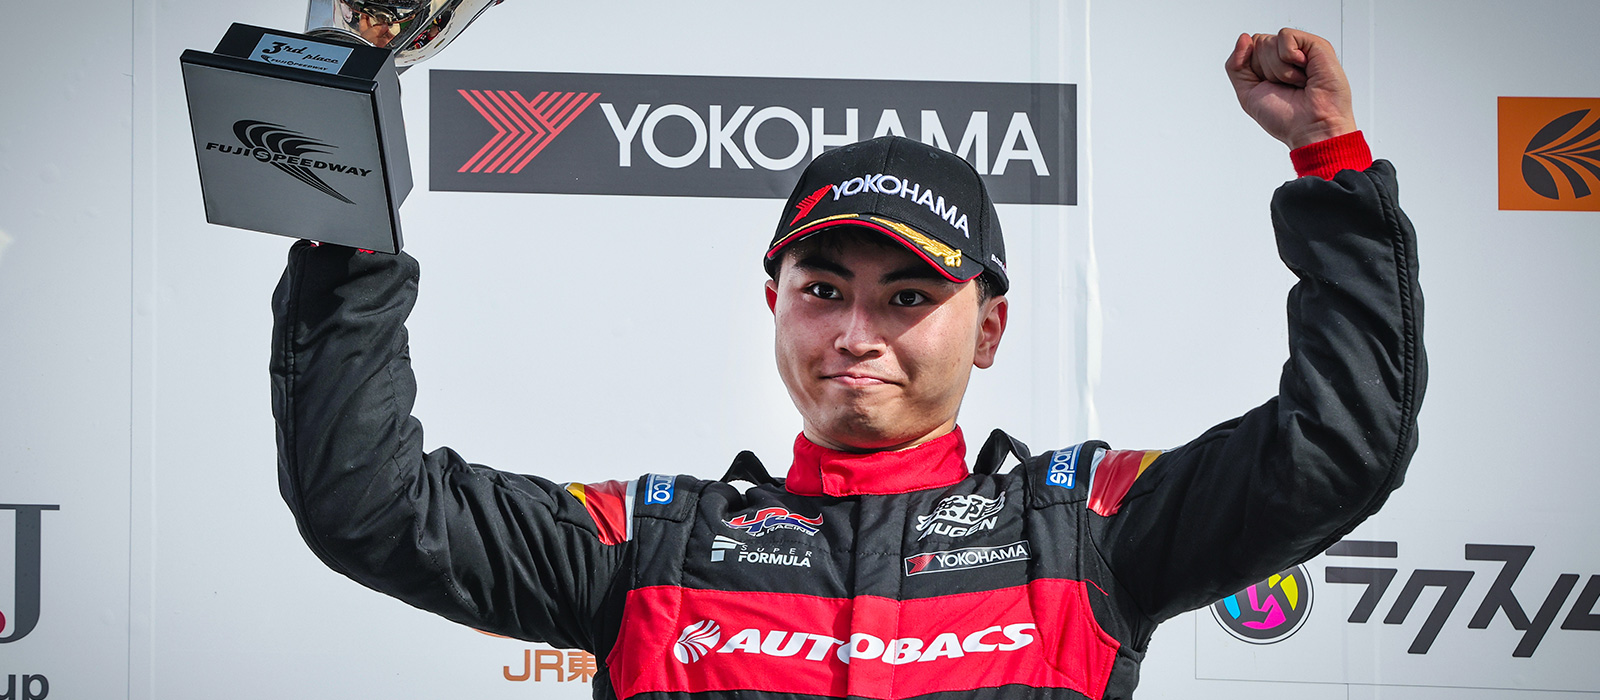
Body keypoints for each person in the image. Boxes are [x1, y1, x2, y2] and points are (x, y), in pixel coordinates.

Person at [269, 28, 1424, 700]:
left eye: (909, 296)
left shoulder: (1084, 531)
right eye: (823, 290)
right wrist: (343, 216)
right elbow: (368, 505)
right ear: (774, 305)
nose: (856, 332)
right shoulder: (650, 542)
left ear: (989, 329)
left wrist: (1329, 162)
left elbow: (1337, 450)